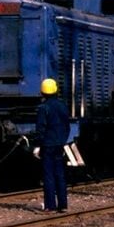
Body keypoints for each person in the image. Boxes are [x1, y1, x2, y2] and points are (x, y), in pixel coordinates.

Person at [34, 78, 70, 212]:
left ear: (42, 92)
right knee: (60, 174)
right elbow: (67, 126)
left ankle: (50, 206)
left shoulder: (43, 108)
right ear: (56, 90)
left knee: (48, 175)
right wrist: (63, 140)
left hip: (47, 145)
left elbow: (41, 128)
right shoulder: (62, 106)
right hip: (59, 144)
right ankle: (63, 205)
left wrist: (38, 145)